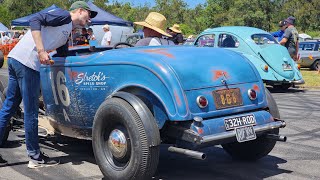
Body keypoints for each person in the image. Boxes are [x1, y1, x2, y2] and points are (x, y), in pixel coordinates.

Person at [0, 1, 97, 168]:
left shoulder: (68, 30)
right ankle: (35, 157)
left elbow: (63, 53)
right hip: (27, 63)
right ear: (80, 11)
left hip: (16, 59)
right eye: (89, 14)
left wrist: (86, 56)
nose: (90, 19)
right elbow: (35, 19)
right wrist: (41, 50)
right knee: (31, 112)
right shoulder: (63, 15)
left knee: (9, 106)